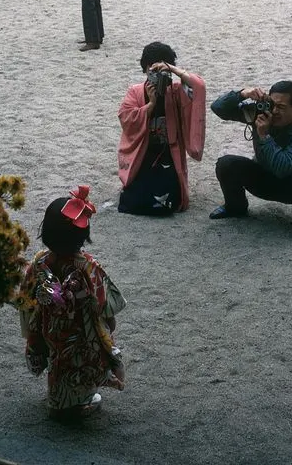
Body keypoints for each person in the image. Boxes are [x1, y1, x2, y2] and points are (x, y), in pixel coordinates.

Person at [18, 186, 126, 419]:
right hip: (81, 331)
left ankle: (58, 397)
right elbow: (103, 303)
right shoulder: (87, 266)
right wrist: (109, 324)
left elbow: (26, 296)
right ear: (81, 235)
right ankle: (72, 406)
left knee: (56, 358)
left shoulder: (40, 260)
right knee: (78, 366)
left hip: (49, 324)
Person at [209, 80, 292, 240]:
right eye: (272, 104)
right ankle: (235, 207)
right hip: (261, 178)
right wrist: (243, 94)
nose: (274, 111)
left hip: (290, 186)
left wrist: (264, 136)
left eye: (281, 107)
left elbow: (283, 168)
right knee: (226, 164)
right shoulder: (260, 113)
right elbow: (218, 108)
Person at [117, 42, 205, 215]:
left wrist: (173, 69)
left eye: (161, 69)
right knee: (133, 201)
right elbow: (126, 118)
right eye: (152, 68)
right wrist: (150, 105)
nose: (157, 74)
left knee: (170, 201)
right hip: (142, 154)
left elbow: (199, 87)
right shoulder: (135, 91)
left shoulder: (176, 90)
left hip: (168, 154)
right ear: (145, 68)